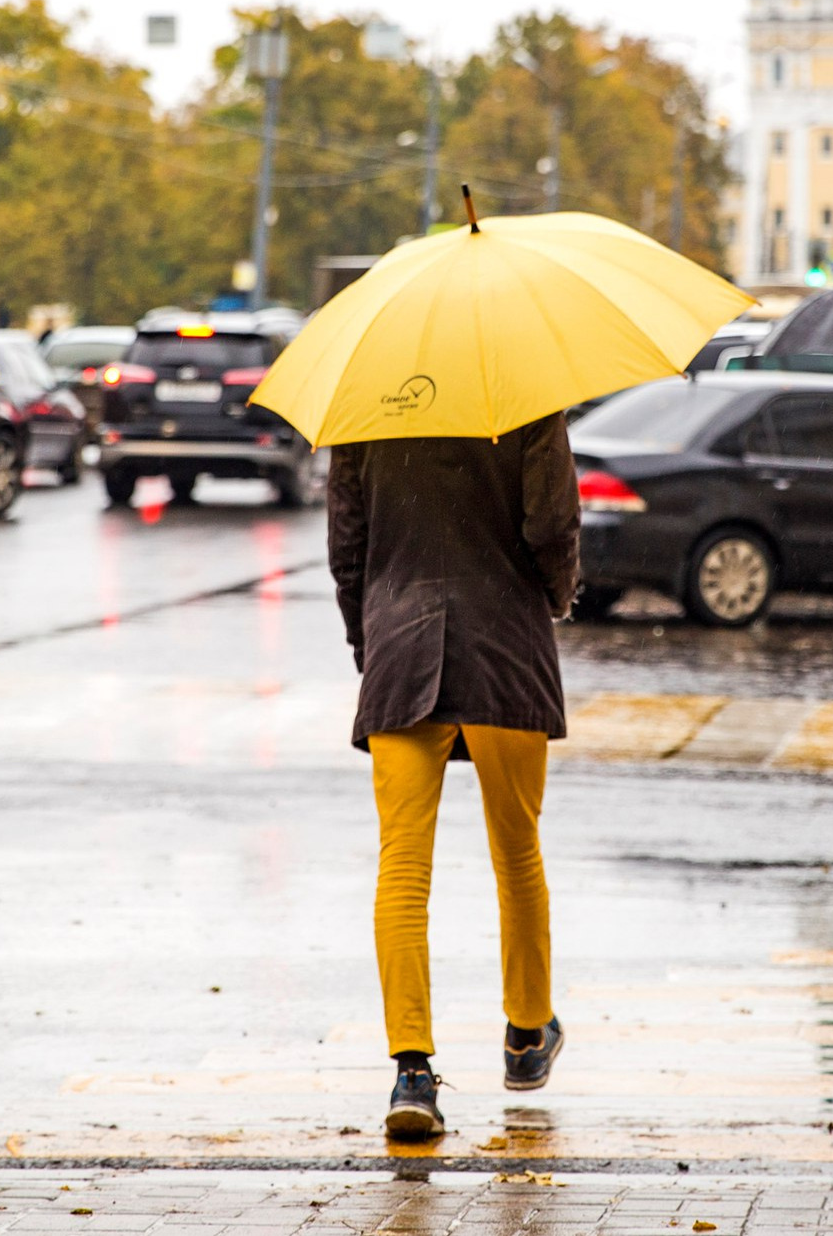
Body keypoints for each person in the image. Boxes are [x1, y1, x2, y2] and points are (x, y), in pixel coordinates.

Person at [326, 412, 580, 1141]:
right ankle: (528, 1033)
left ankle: (412, 1071)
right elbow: (552, 525)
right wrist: (552, 600)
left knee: (402, 866)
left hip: (401, 647)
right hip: (508, 642)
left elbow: (348, 546)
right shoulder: (527, 393)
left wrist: (368, 635)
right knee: (517, 847)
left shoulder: (365, 403)